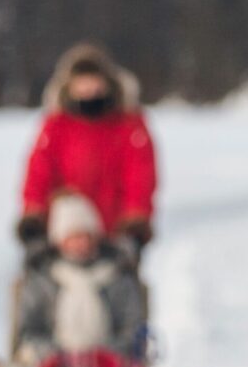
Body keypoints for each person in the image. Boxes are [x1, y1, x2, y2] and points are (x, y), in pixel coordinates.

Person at [17, 43, 157, 263]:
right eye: (81, 82)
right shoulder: (56, 126)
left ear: (106, 83)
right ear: (69, 86)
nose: (88, 89)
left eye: (93, 81)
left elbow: (140, 175)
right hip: (64, 233)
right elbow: (39, 172)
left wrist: (135, 222)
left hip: (114, 235)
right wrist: (34, 215)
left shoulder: (128, 125)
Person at [15, 192, 148, 367]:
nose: (82, 243)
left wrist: (107, 357)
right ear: (59, 239)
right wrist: (52, 357)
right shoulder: (42, 280)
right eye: (74, 236)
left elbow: (133, 329)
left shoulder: (117, 276)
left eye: (86, 235)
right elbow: (29, 331)